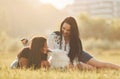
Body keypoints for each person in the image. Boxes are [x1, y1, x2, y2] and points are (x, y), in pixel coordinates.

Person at [48, 16, 120, 70]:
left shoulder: (75, 41)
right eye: (63, 28)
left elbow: (76, 57)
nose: (65, 31)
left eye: (68, 30)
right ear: (61, 26)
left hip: (78, 54)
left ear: (73, 30)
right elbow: (50, 52)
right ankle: (96, 70)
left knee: (99, 64)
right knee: (93, 68)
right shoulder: (54, 36)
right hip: (68, 60)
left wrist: (75, 64)